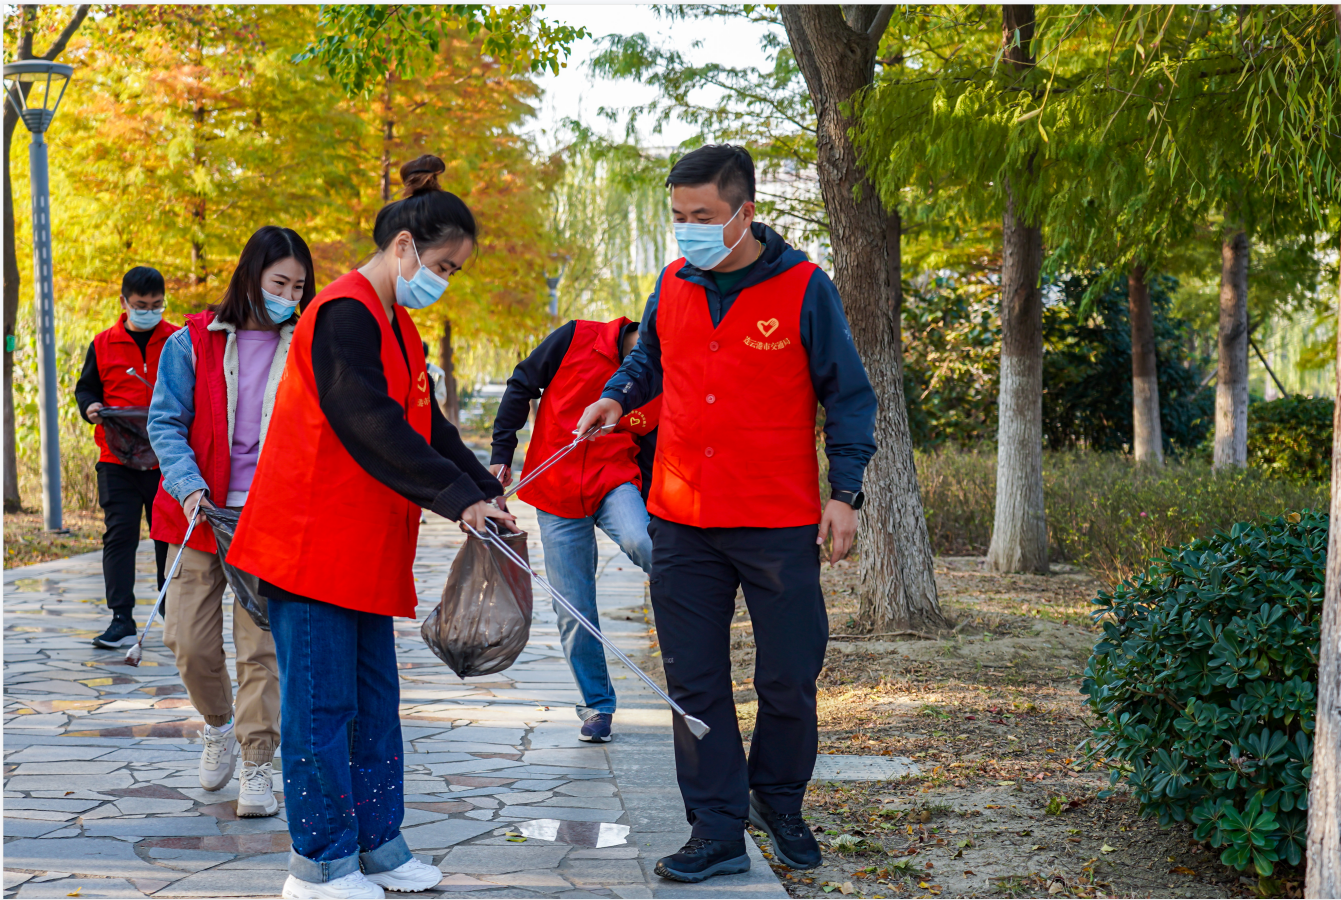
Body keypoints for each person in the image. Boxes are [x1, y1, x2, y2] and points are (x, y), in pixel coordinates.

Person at [576, 144, 877, 883]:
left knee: (787, 674)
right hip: (680, 519)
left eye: (702, 217)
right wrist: (617, 395)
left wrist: (844, 493)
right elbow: (648, 359)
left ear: (744, 213)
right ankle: (714, 829)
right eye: (678, 218)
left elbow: (847, 393)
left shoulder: (805, 287)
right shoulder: (673, 281)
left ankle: (776, 799)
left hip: (775, 519)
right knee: (694, 683)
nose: (687, 231)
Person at [228, 155, 515, 900]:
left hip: (361, 550)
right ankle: (319, 866)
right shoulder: (344, 314)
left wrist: (485, 488)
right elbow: (370, 423)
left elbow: (428, 426)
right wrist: (457, 499)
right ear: (403, 248)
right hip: (310, 547)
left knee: (373, 708)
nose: (444, 281)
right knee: (321, 708)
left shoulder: (399, 327)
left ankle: (378, 848)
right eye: (443, 265)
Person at [146, 226, 311, 817]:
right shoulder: (191, 341)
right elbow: (165, 423)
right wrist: (189, 488)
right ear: (251, 276)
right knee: (186, 640)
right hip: (198, 514)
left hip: (269, 519)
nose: (288, 297)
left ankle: (259, 762)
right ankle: (218, 724)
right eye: (278, 283)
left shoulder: (310, 343)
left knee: (260, 647)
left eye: (297, 287)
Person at [490, 317, 659, 743]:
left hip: (614, 479)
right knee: (573, 607)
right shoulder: (576, 336)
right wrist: (501, 452)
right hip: (556, 489)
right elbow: (520, 383)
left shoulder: (659, 378)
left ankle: (695, 607)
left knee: (645, 541)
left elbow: (654, 447)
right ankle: (598, 706)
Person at [74, 266, 178, 649]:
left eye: (156, 305)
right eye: (140, 305)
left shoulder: (177, 340)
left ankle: (171, 614)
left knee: (166, 537)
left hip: (166, 459)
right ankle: (121, 619)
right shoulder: (102, 344)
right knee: (119, 536)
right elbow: (85, 390)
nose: (148, 311)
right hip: (116, 458)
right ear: (124, 303)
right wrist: (91, 407)